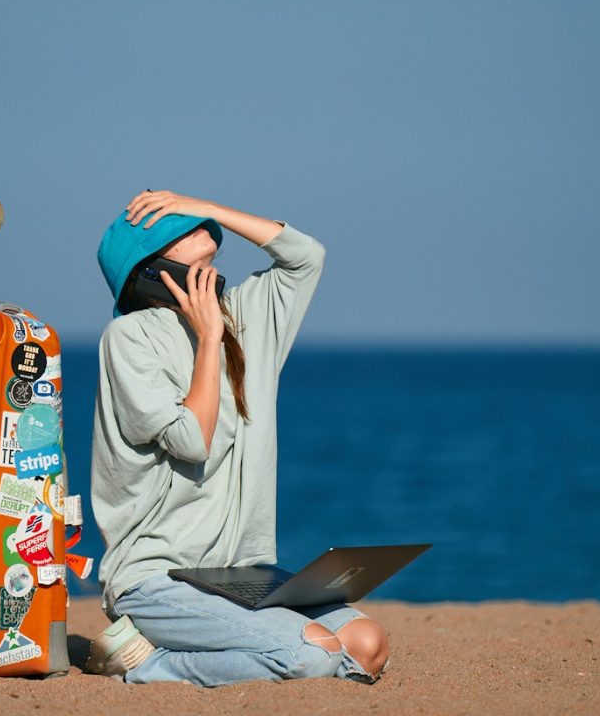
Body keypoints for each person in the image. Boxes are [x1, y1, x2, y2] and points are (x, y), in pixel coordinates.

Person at [84, 190, 391, 686]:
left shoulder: (246, 314)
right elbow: (191, 440)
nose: (195, 224)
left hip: (236, 575)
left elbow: (306, 256)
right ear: (150, 271)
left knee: (367, 645)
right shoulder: (129, 339)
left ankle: (243, 644)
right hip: (154, 580)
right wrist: (208, 338)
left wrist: (202, 204)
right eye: (177, 227)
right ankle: (145, 666)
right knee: (311, 654)